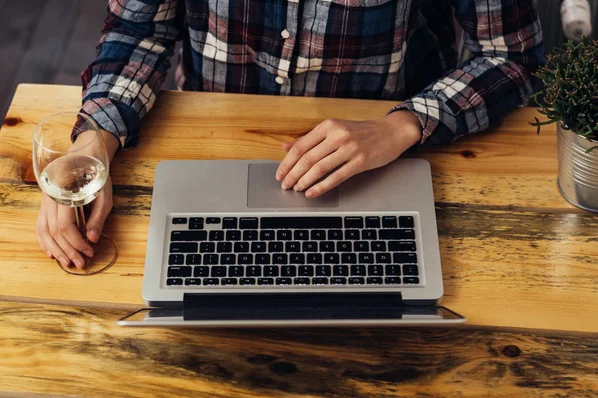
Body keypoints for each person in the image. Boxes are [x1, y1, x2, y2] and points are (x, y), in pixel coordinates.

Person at [36, 0, 545, 269]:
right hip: (212, 143)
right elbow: (138, 31)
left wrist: (403, 126)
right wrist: (94, 143)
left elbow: (511, 56)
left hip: (383, 154)